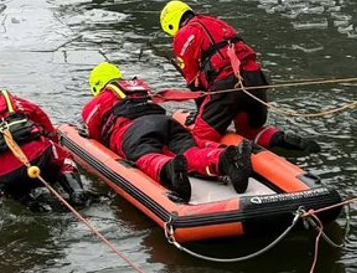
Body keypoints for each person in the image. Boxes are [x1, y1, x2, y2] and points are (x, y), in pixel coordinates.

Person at [159, 0, 321, 153]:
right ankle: (277, 139)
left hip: (228, 85)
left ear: (171, 25)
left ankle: (224, 162)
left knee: (201, 137)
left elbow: (194, 82)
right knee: (249, 131)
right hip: (255, 80)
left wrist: (203, 114)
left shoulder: (183, 36)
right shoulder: (216, 22)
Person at [81, 62, 253, 202]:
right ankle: (222, 160)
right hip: (165, 122)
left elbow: (95, 138)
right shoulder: (139, 87)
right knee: (189, 150)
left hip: (133, 132)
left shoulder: (98, 101)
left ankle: (169, 170)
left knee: (147, 156)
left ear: (96, 86)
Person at [0, 60, 88, 209]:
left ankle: (31, 204)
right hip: (38, 159)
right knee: (64, 159)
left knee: (5, 191)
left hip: (3, 176)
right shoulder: (15, 102)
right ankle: (77, 193)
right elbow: (44, 122)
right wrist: (53, 145)